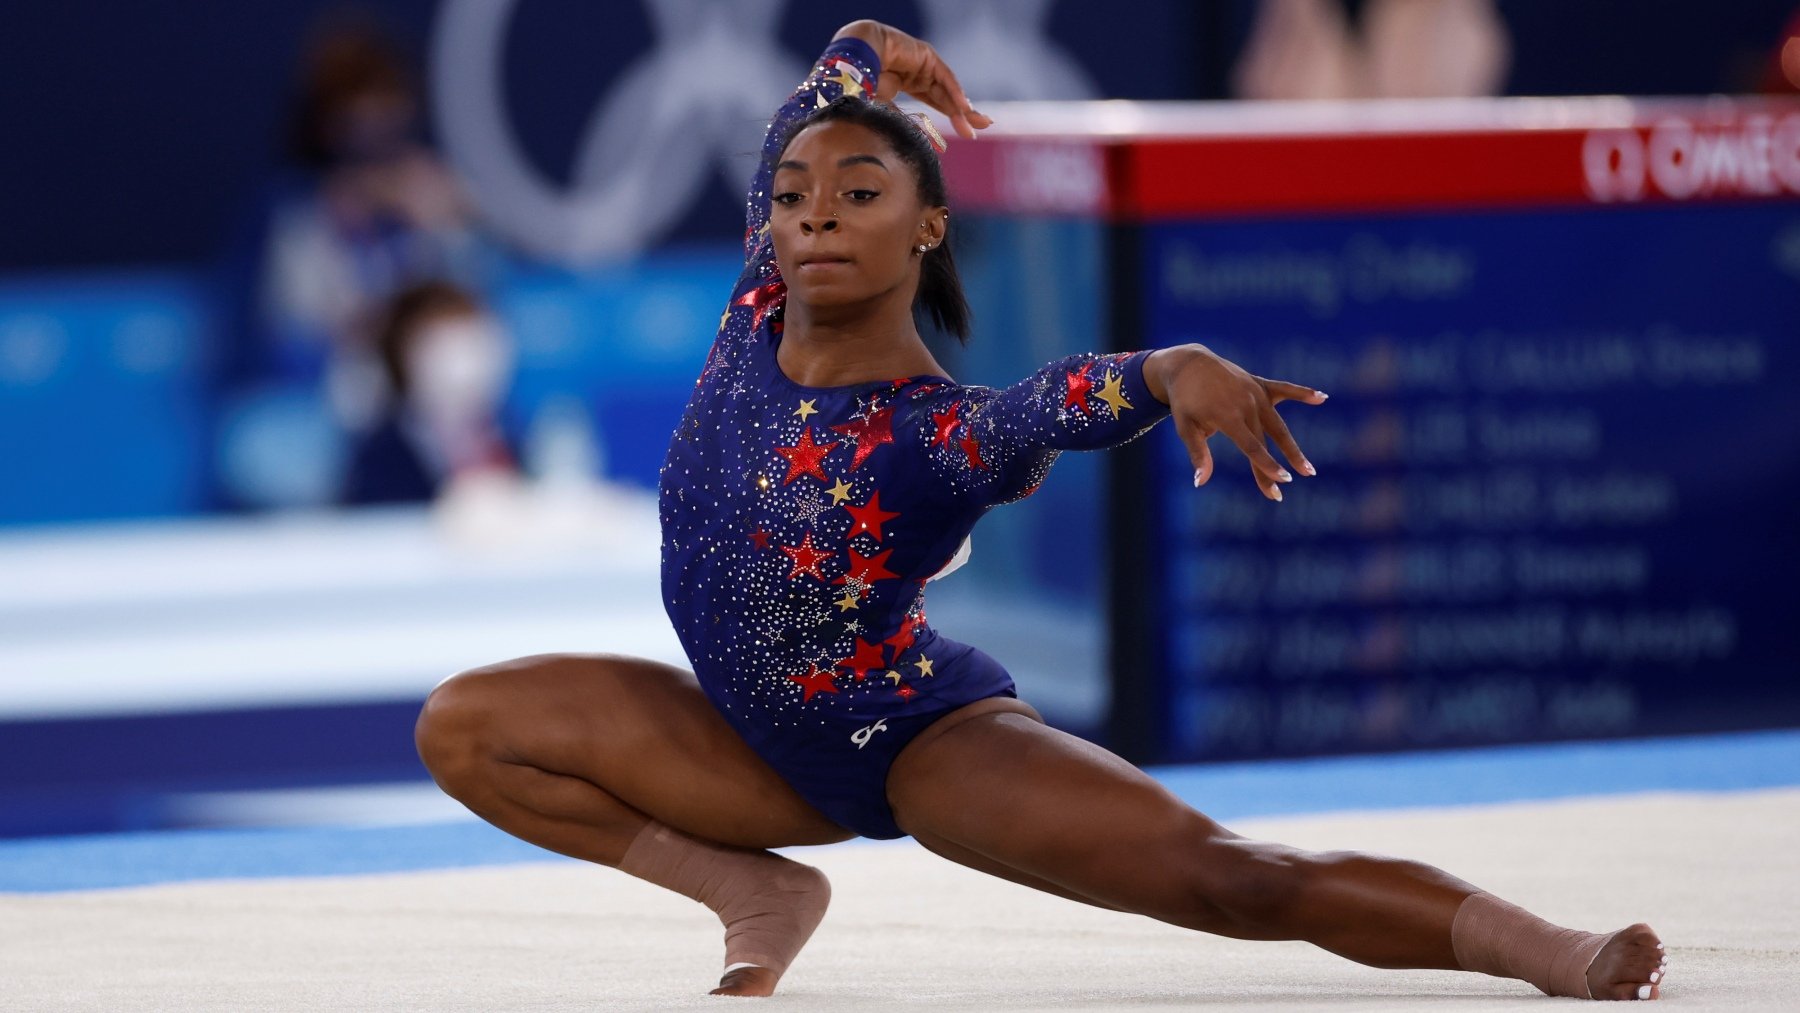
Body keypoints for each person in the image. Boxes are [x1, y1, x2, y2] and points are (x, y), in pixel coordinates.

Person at [414, 20, 1666, 1002]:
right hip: (741, 746)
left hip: (913, 742)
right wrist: (869, 44)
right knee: (469, 725)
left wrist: (1173, 367)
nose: (815, 219)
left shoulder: (932, 428)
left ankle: (1551, 947)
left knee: (1228, 880)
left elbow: (1063, 399)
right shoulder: (757, 294)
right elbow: (825, 88)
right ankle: (754, 893)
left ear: (930, 227)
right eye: (795, 198)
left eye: (859, 197)